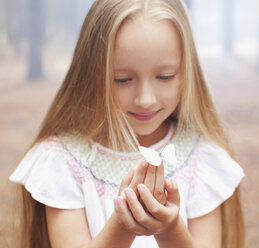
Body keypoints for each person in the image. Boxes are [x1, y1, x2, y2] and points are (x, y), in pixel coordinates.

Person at [9, 0, 245, 247]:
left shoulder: (200, 159)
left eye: (164, 77)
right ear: (91, 74)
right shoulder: (63, 161)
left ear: (187, 72)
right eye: (122, 79)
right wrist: (123, 225)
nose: (145, 99)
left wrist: (170, 230)